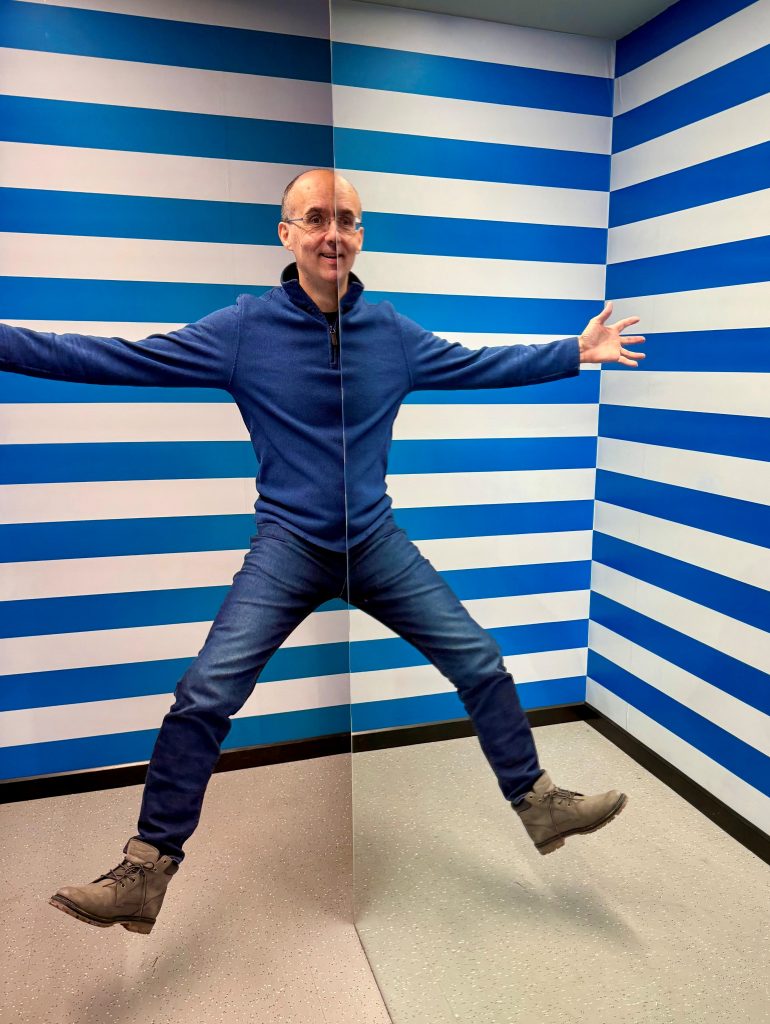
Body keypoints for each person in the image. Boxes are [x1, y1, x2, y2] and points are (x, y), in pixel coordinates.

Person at [0, 169, 645, 934]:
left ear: (360, 235)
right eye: (314, 218)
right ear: (287, 234)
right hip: (289, 546)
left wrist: (576, 352)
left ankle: (539, 806)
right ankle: (145, 872)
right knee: (205, 694)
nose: (332, 233)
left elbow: (478, 363)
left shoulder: (392, 334)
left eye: (346, 220)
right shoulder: (244, 329)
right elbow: (117, 357)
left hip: (375, 542)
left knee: (478, 660)